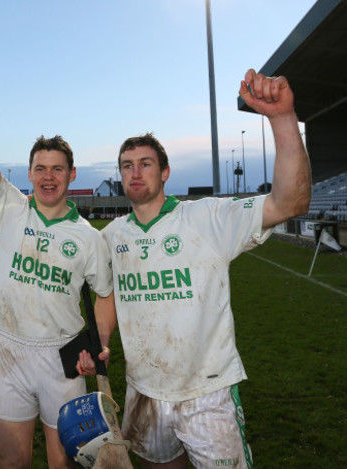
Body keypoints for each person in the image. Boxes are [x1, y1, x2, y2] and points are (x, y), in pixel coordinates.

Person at [81, 69, 311, 468]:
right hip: (144, 390)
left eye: (145, 164)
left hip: (207, 393)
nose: (135, 173)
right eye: (127, 165)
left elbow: (290, 203)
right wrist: (100, 338)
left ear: (165, 172)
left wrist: (282, 118)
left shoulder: (209, 217)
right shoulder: (112, 236)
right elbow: (108, 295)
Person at [0, 37, 115, 467]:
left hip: (63, 360)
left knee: (64, 464)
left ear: (71, 174)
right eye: (40, 168)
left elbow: (105, 294)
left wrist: (99, 345)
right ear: (30, 172)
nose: (48, 176)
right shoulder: (7, 206)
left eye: (57, 168)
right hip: (9, 353)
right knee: (12, 461)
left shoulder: (89, 237)